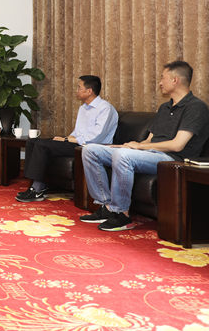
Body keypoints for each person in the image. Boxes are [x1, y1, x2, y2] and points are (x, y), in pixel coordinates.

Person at [81, 61, 209, 231]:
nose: (160, 83)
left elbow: (177, 145)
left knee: (123, 156)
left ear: (175, 80)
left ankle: (122, 215)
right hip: (151, 154)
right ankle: (107, 206)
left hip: (172, 159)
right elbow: (150, 140)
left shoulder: (196, 107)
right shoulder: (165, 107)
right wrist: (129, 146)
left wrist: (139, 148)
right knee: (90, 150)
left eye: (163, 78)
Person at [16, 75, 118, 202]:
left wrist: (67, 140)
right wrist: (66, 138)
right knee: (32, 142)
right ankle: (36, 186)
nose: (76, 90)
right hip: (77, 143)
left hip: (90, 147)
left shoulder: (105, 108)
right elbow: (77, 132)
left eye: (79, 87)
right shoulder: (83, 108)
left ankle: (37, 190)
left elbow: (96, 137)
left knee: (42, 145)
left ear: (89, 91)